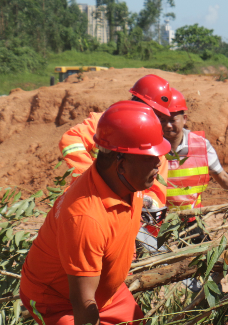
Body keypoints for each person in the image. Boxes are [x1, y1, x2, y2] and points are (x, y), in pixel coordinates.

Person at [20, 100, 171, 325]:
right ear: (119, 161)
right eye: (149, 158)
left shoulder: (128, 184)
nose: (158, 164)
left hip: (106, 291)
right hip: (60, 300)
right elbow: (82, 301)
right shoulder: (85, 217)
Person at [59, 74, 174, 249]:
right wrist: (92, 178)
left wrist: (146, 202)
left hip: (123, 216)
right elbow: (71, 141)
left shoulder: (156, 150)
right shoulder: (107, 121)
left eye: (156, 114)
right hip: (87, 204)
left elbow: (156, 195)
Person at [161, 88, 228, 213]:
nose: (168, 125)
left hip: (193, 218)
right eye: (163, 120)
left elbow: (223, 177)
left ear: (184, 119)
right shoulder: (149, 147)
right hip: (157, 221)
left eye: (172, 120)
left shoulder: (201, 146)